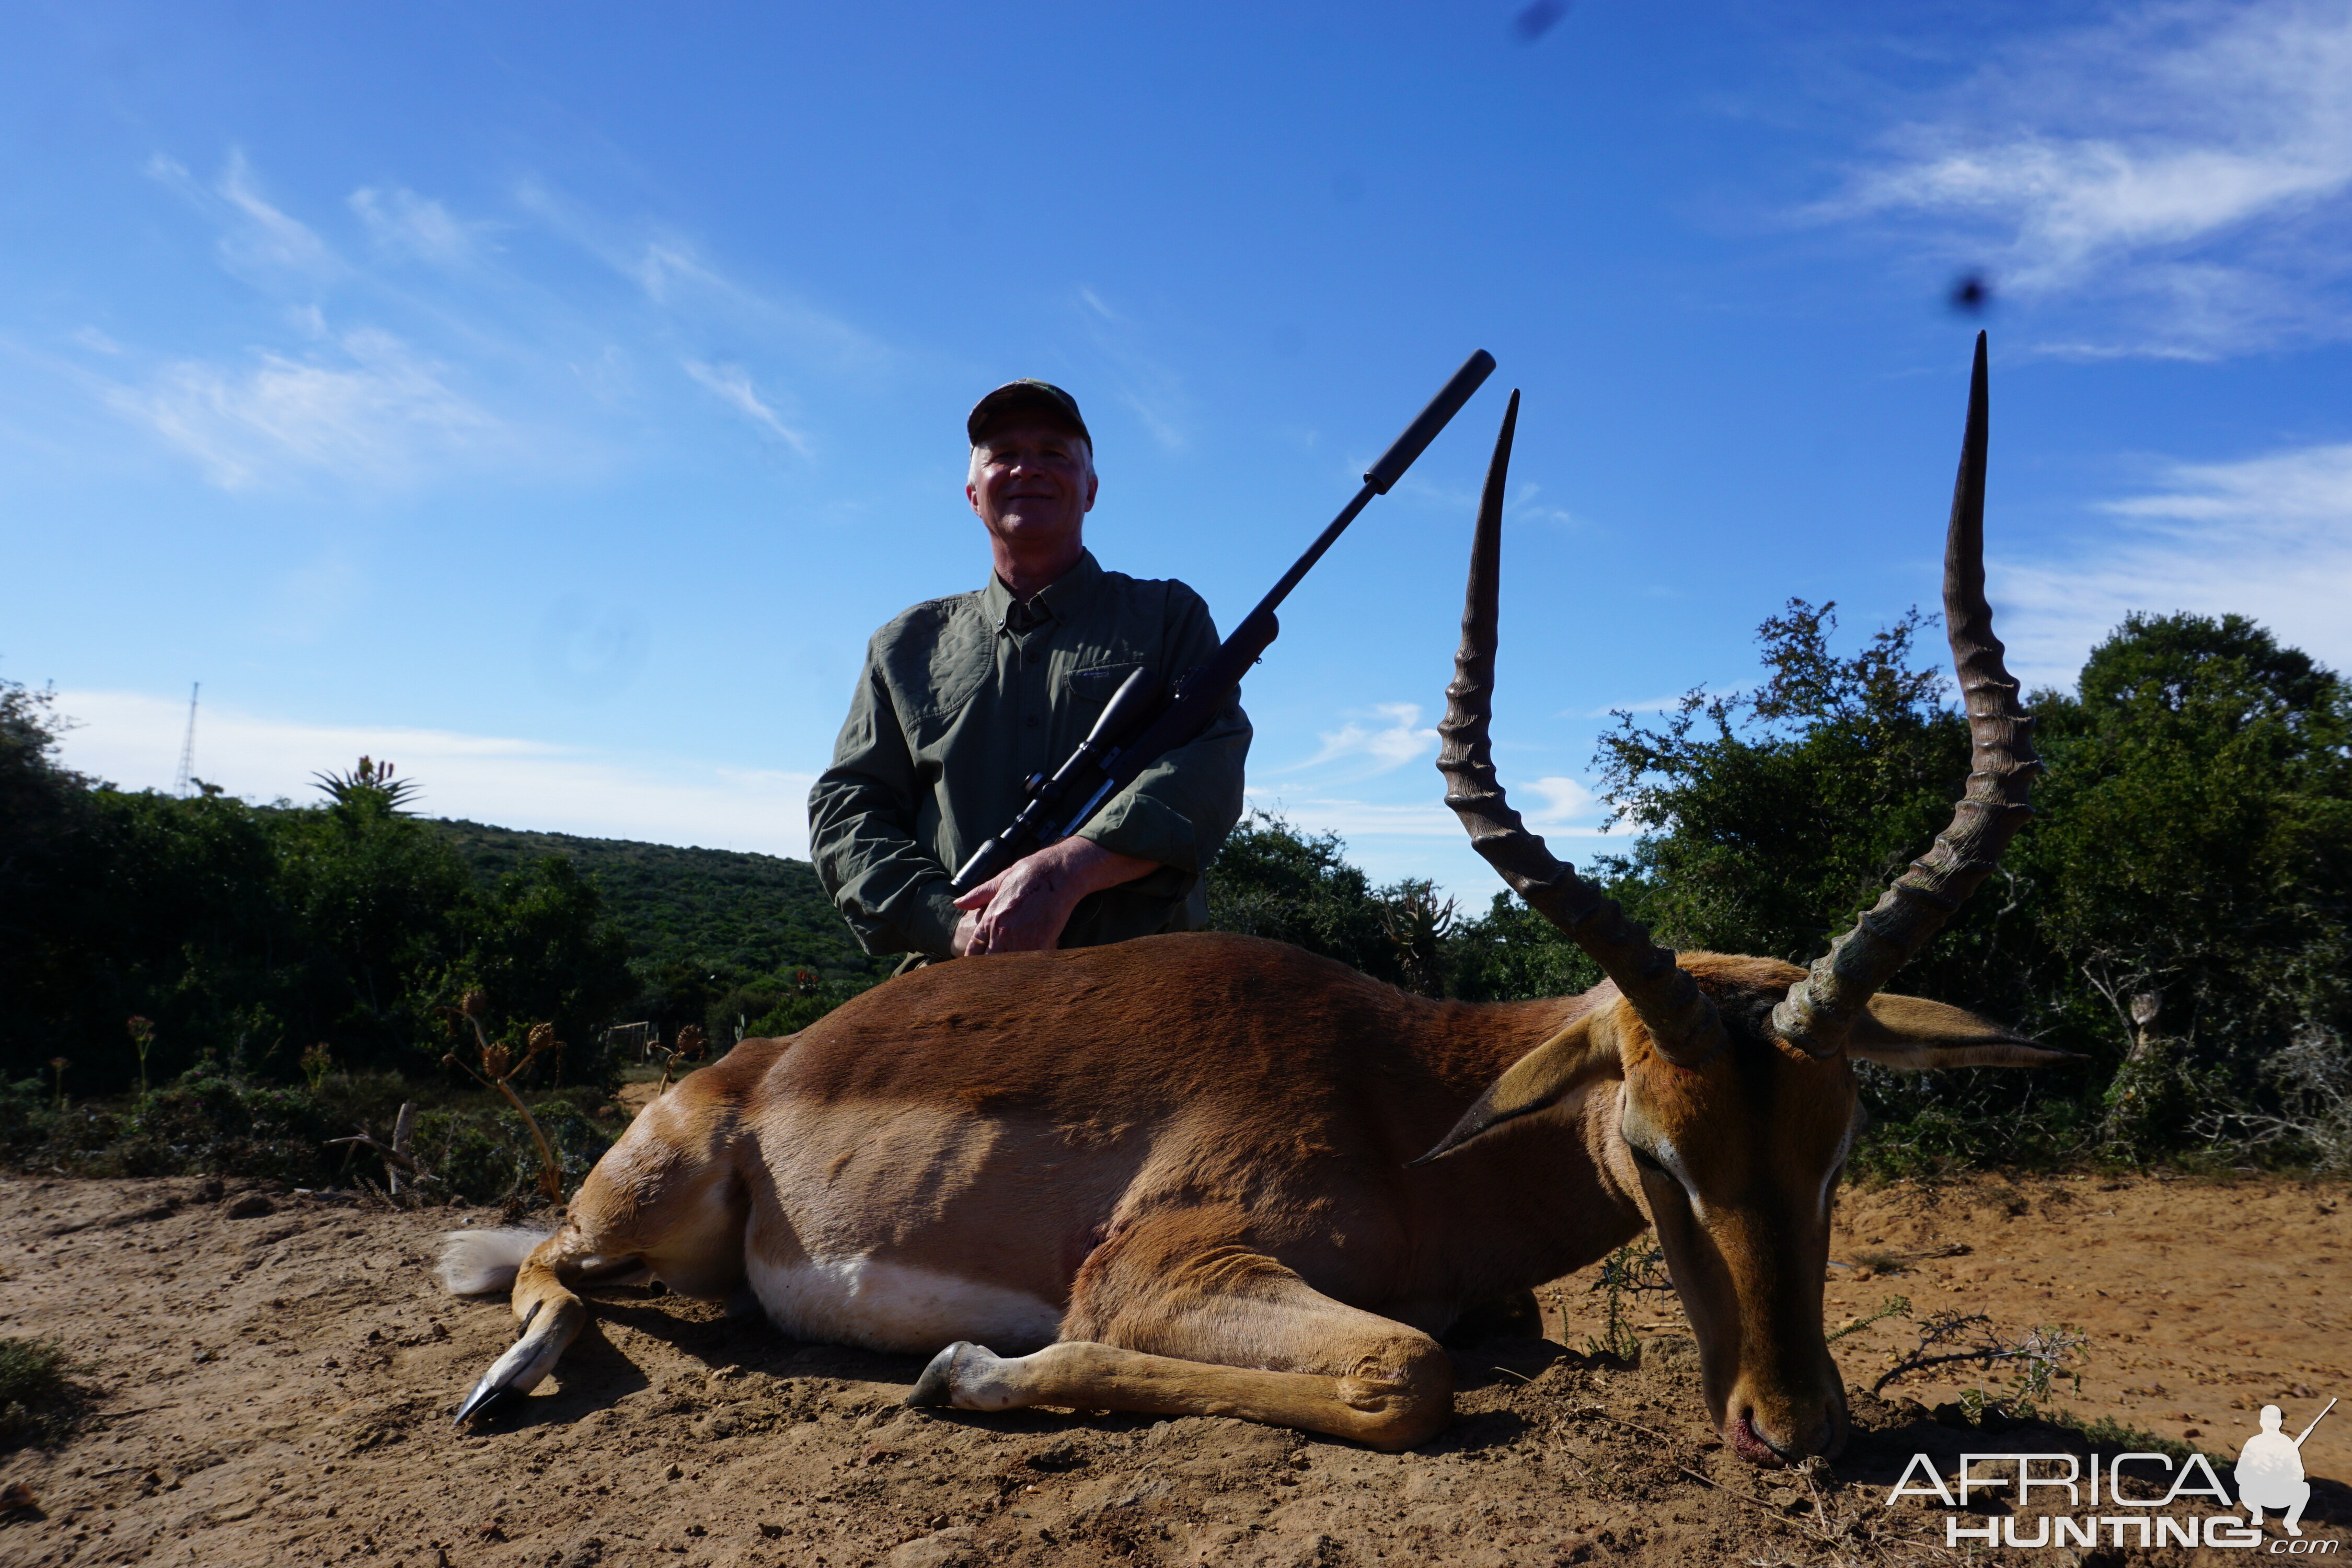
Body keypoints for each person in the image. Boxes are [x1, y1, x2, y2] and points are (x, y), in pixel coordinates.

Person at [809, 379, 1250, 965]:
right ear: (972, 493)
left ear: (1090, 489)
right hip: (955, 979)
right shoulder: (904, 645)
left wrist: (1068, 871)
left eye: (1054, 454)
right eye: (1004, 455)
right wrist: (953, 923)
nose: (1028, 469)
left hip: (1143, 984)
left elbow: (1210, 765)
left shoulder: (1170, 617)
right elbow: (848, 808)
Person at [2235, 1402, 2320, 1535]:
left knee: (2304, 1488)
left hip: (2258, 1496)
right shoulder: (2286, 1443)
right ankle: (2285, 1519)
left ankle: (2262, 1515)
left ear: (2261, 1423)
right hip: (2269, 1495)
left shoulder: (2254, 1442)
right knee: (2304, 1489)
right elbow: (2300, 1475)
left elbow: (2239, 1474)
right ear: (2280, 1423)